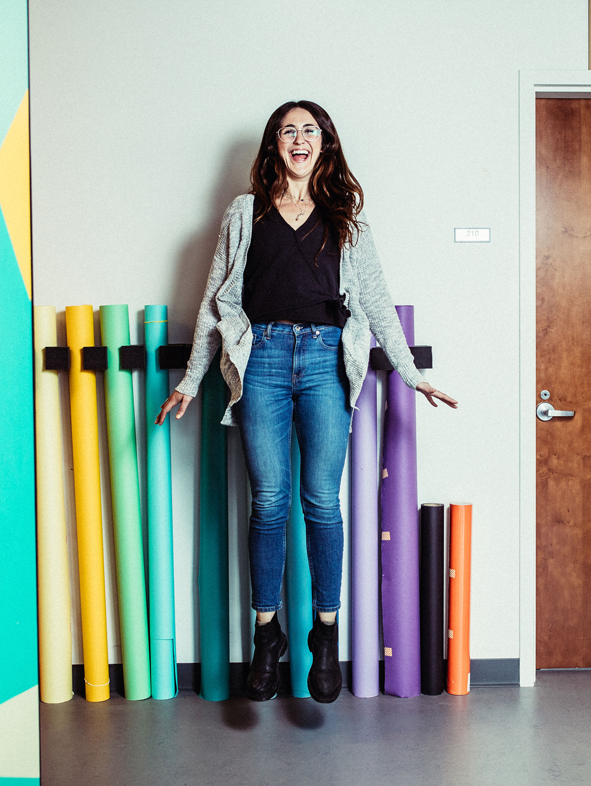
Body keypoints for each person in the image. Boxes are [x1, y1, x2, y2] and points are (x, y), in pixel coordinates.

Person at [156, 100, 457, 703]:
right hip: (262, 360)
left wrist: (410, 372)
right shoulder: (245, 213)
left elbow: (376, 301)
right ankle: (267, 634)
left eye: (309, 131)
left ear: (325, 145)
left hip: (325, 361)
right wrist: (189, 381)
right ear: (275, 144)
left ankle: (325, 632)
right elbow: (216, 302)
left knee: (321, 501)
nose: (299, 139)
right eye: (288, 130)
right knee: (269, 501)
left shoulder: (347, 220)